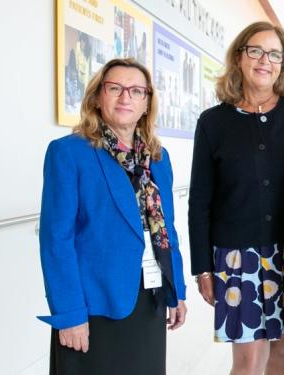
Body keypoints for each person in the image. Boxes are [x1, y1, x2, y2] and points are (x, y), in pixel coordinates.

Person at [38, 57, 187, 375]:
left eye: (136, 91)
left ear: (147, 102)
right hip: (93, 305)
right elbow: (56, 240)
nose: (125, 98)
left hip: (149, 298)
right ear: (97, 96)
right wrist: (69, 313)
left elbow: (166, 230)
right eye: (115, 88)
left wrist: (177, 291)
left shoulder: (158, 159)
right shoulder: (69, 153)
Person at [188, 21, 284, 375]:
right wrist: (202, 267)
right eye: (256, 51)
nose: (265, 60)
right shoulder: (212, 122)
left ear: (283, 64)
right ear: (240, 57)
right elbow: (199, 199)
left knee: (283, 352)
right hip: (234, 256)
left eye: (274, 53)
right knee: (247, 360)